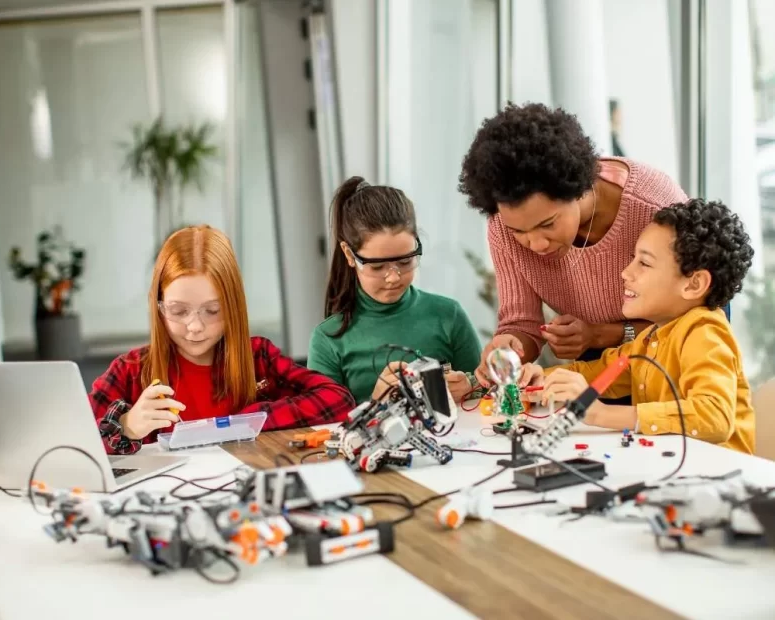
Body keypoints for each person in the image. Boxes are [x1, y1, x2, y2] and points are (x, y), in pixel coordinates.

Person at [458, 102, 689, 393]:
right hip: (596, 355)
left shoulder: (655, 208)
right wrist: (510, 348)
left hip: (673, 352)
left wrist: (603, 334)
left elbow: (689, 322)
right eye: (520, 231)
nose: (536, 244)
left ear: (578, 188)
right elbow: (522, 323)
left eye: (548, 224)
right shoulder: (502, 226)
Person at [88, 225, 355, 455]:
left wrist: (252, 419)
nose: (195, 326)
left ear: (233, 306)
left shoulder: (258, 358)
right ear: (159, 308)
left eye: (212, 311)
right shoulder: (130, 371)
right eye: (179, 311)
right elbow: (69, 447)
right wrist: (126, 426)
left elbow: (339, 400)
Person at [523, 199, 755, 454]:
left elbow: (714, 417)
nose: (625, 272)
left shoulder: (704, 332)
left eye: (644, 263)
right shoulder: (652, 338)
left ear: (693, 284)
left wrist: (601, 414)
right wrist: (543, 380)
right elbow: (602, 373)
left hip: (722, 480)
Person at [306, 176, 482, 406]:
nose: (393, 277)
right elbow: (323, 427)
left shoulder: (449, 315)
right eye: (378, 266)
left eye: (405, 262)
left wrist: (469, 387)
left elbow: (489, 389)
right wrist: (375, 403)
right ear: (350, 256)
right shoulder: (328, 340)